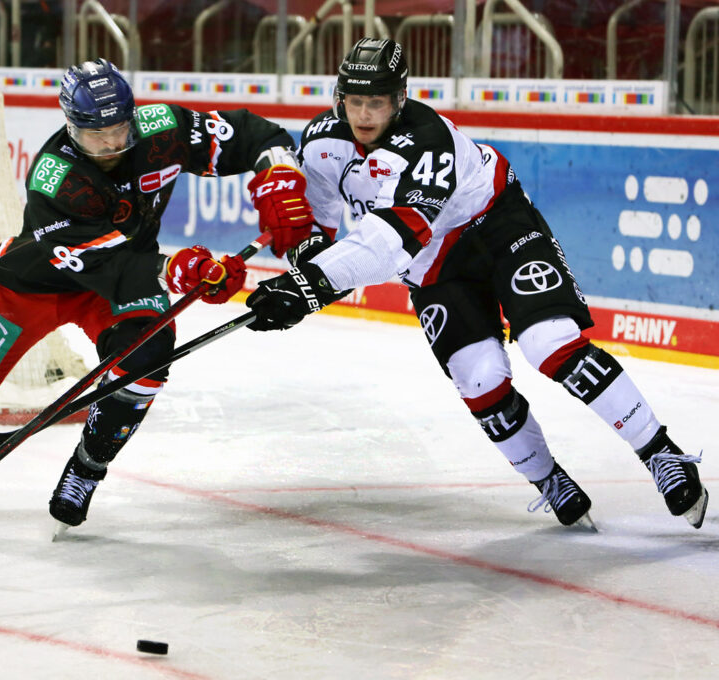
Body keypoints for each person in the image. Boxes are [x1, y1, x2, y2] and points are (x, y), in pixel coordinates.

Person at [243, 38, 708, 530]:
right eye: (354, 101)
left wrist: (308, 286)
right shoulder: (321, 142)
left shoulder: (427, 139)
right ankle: (548, 479)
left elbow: (393, 241)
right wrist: (303, 260)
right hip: (433, 269)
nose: (363, 114)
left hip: (496, 227)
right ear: (339, 98)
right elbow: (320, 224)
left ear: (400, 98)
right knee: (479, 377)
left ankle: (662, 454)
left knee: (551, 343)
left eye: (376, 102)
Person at [0, 58, 314, 525]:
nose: (108, 145)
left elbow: (255, 135)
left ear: (132, 117)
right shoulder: (54, 178)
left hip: (118, 285)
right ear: (70, 125)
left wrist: (279, 175)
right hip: (35, 283)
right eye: (92, 135)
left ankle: (88, 466)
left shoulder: (164, 129)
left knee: (146, 359)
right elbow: (107, 262)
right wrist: (177, 268)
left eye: (117, 131)